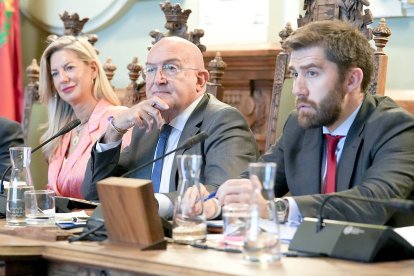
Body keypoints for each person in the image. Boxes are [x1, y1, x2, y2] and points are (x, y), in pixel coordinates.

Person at [205, 20, 414, 226]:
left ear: (351, 80)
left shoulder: (396, 129)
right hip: (303, 255)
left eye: (312, 73)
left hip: (377, 258)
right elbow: (255, 183)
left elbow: (373, 203)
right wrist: (213, 202)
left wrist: (277, 209)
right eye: (295, 74)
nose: (297, 89)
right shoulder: (299, 124)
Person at [82, 36, 259, 218]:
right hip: (140, 237)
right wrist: (115, 128)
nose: (158, 79)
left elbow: (225, 194)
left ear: (199, 80)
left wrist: (152, 204)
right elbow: (95, 193)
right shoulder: (146, 127)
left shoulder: (224, 121)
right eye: (150, 69)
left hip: (194, 238)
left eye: (171, 68)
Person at [39, 36, 131, 199]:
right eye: (55, 73)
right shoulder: (62, 131)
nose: (63, 79)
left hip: (97, 222)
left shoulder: (117, 120)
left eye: (69, 68)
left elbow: (121, 187)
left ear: (93, 69)